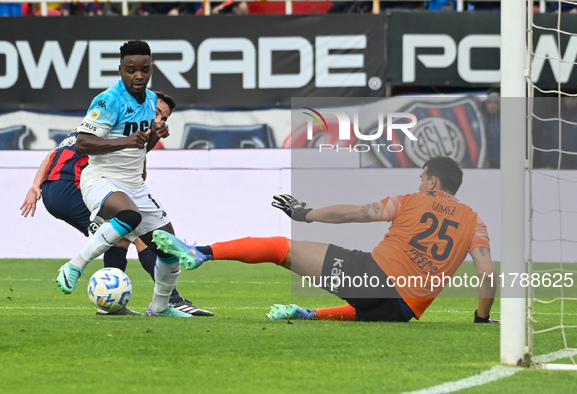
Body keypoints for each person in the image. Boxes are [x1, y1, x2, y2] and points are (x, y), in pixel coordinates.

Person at [153, 156, 498, 323]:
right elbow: (487, 272)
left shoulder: (413, 200)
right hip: (403, 310)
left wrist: (308, 214)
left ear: (434, 183)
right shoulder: (475, 221)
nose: (420, 183)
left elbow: (355, 213)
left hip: (372, 277)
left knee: (280, 248)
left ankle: (201, 253)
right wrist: (482, 318)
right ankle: (308, 315)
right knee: (364, 302)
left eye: (423, 178)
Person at [20, 92, 213, 317]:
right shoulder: (120, 128)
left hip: (55, 190)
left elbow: (56, 152)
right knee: (140, 236)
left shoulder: (100, 125)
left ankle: (113, 307)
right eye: (157, 112)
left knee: (120, 237)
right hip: (71, 188)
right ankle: (171, 300)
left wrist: (36, 184)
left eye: (164, 118)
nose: (159, 119)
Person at [54, 40, 201, 318]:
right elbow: (83, 144)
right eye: (131, 70)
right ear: (120, 69)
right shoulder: (108, 100)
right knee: (129, 216)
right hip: (101, 179)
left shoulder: (149, 102)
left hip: (135, 185)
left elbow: (140, 147)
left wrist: (156, 134)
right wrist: (125, 140)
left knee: (169, 249)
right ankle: (75, 265)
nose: (139, 75)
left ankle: (160, 307)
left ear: (151, 69)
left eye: (144, 69)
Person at [482, 90, 500, 168]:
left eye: (495, 102)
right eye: (489, 102)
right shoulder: (482, 120)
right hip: (486, 163)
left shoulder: (506, 121)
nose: (492, 105)